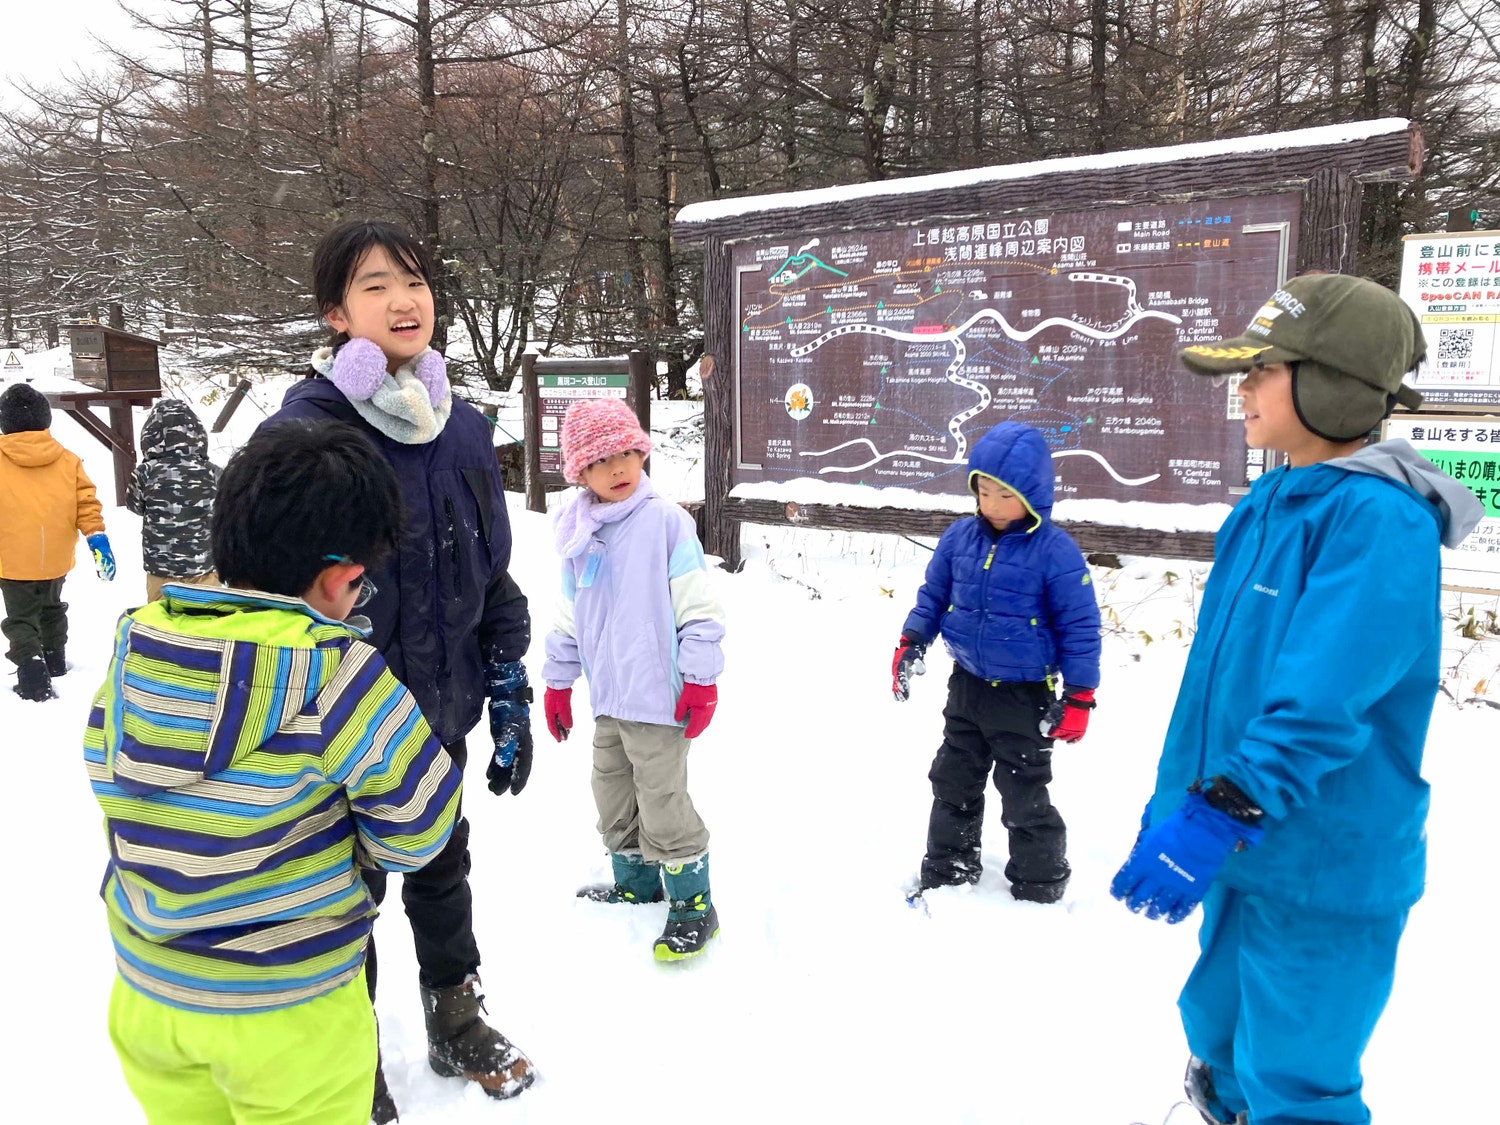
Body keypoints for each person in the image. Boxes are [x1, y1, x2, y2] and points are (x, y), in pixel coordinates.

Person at [1109, 274, 1482, 1125]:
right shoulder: (1266, 506)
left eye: (1263, 369)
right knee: (1221, 1038)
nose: (1242, 387)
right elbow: (1216, 684)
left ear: (1334, 384)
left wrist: (1223, 807)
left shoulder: (1377, 522)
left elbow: (1321, 701)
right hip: (1246, 845)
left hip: (1321, 864)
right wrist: (1178, 801)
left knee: (1297, 1081)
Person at [85, 419, 462, 1125]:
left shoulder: (139, 645)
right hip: (287, 1007)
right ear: (341, 576)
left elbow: (109, 767)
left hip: (150, 993)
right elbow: (418, 827)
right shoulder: (338, 674)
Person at [264, 219, 534, 1117]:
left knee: (443, 869)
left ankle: (457, 1018)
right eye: (374, 285)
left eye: (414, 280)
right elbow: (266, 593)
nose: (403, 299)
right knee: (344, 902)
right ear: (336, 313)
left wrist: (506, 680)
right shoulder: (305, 433)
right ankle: (354, 1059)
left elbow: (491, 573)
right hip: (337, 729)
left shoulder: (463, 429)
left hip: (438, 714)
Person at [542, 396, 727, 961]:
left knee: (663, 799)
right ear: (580, 473)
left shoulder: (665, 523)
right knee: (612, 792)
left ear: (642, 453)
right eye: (600, 461)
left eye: (626, 453)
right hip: (609, 699)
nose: (617, 468)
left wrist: (700, 678)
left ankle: (694, 904)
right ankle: (637, 882)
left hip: (657, 698)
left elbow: (698, 607)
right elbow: (570, 614)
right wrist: (558, 681)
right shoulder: (580, 534)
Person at [894, 420, 1102, 905]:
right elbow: (933, 596)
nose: (991, 504)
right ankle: (948, 869)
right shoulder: (959, 538)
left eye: (1005, 495)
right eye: (983, 491)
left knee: (1023, 791)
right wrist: (911, 641)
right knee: (953, 780)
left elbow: (1080, 628)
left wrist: (1080, 697)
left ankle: (1039, 883)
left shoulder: (1055, 552)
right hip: (967, 685)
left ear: (1032, 495)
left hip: (1024, 696)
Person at [0, 382, 115, 700]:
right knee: (52, 608)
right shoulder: (67, 460)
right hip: (55, 555)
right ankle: (55, 660)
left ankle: (32, 673)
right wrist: (97, 538)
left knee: (21, 618)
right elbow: (86, 503)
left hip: (11, 558)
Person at [126, 397, 220, 602]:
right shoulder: (213, 472)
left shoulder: (145, 472)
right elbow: (226, 508)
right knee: (206, 614)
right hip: (203, 564)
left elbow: (134, 505)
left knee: (160, 616)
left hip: (160, 567)